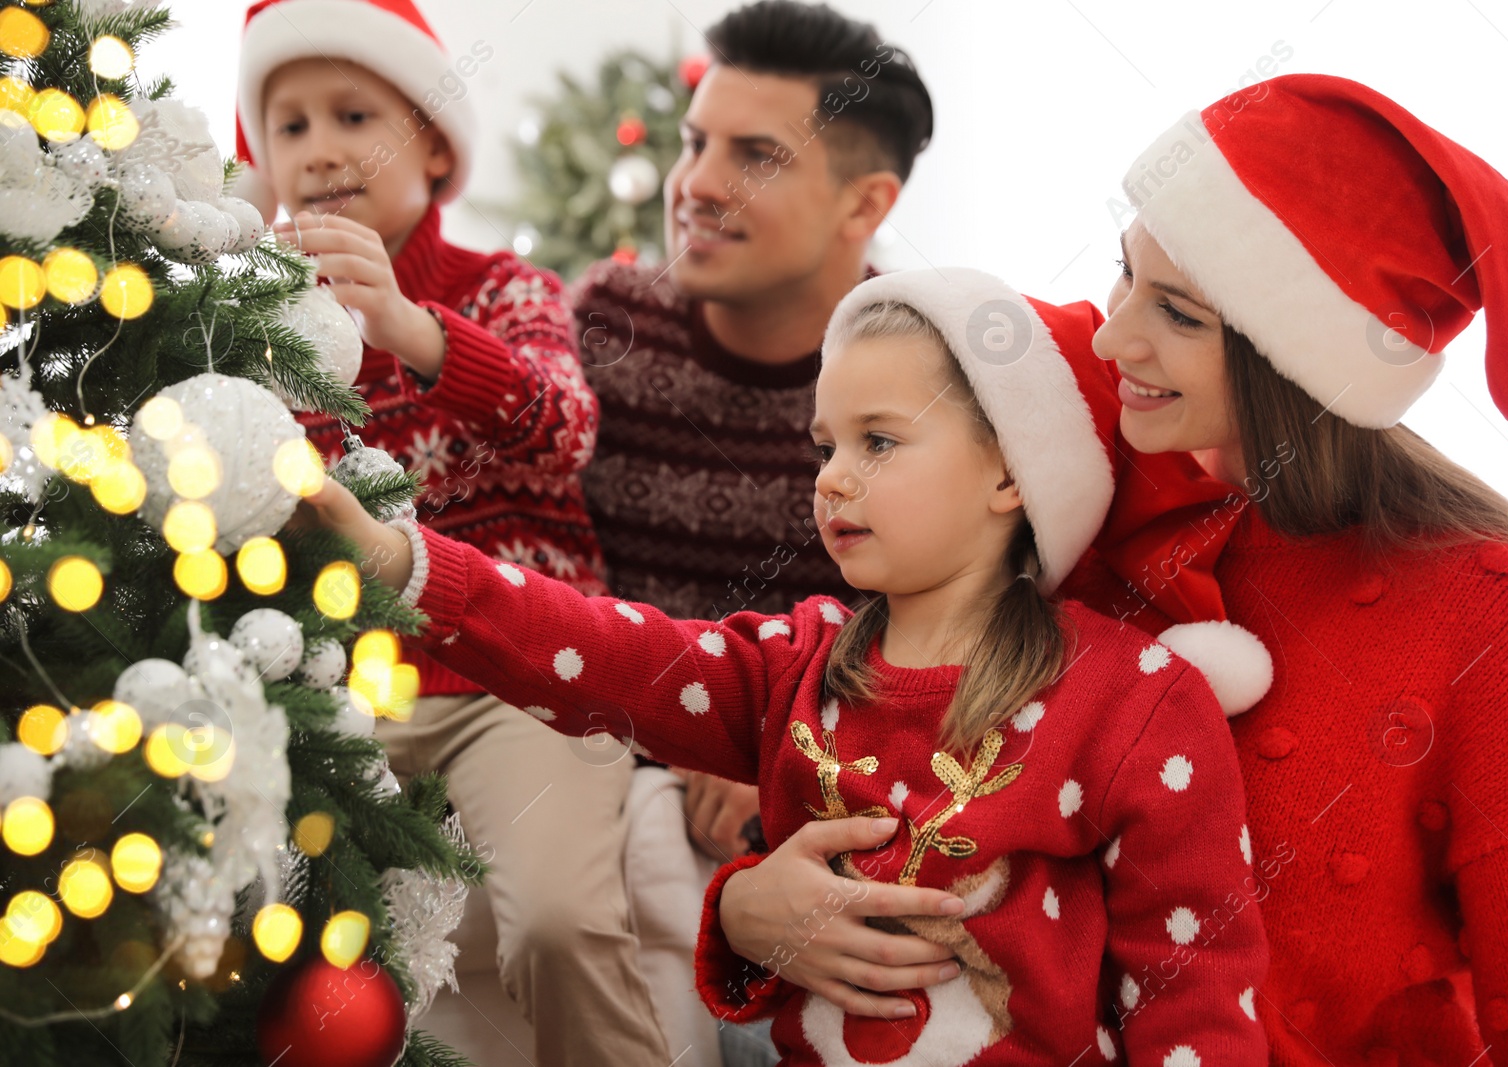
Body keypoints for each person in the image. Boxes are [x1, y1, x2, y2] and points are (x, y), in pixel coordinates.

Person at [705, 74, 1508, 1065]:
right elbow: (865, 727)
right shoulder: (1063, 476)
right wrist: (746, 903)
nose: (1111, 331)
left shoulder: (1493, 613)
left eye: (1176, 312)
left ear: (1292, 359)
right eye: (1125, 275)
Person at [296, 267, 1278, 1065]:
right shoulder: (793, 663)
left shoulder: (1133, 698)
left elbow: (1194, 989)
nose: (832, 477)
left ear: (1011, 472)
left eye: (878, 441)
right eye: (825, 446)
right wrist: (403, 563)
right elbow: (603, 651)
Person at [233, 3, 671, 1064]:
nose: (322, 147)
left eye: (354, 114)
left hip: (522, 677)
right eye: (288, 127)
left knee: (560, 926)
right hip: (349, 694)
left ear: (433, 143)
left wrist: (411, 330)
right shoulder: (256, 334)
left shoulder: (502, 289)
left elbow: (563, 425)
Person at [571, 0, 934, 877]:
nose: (695, 182)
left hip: (794, 815)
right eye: (695, 143)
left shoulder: (925, 387)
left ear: (865, 204)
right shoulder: (602, 329)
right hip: (591, 772)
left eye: (757, 157)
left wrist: (790, 745)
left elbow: (937, 633)